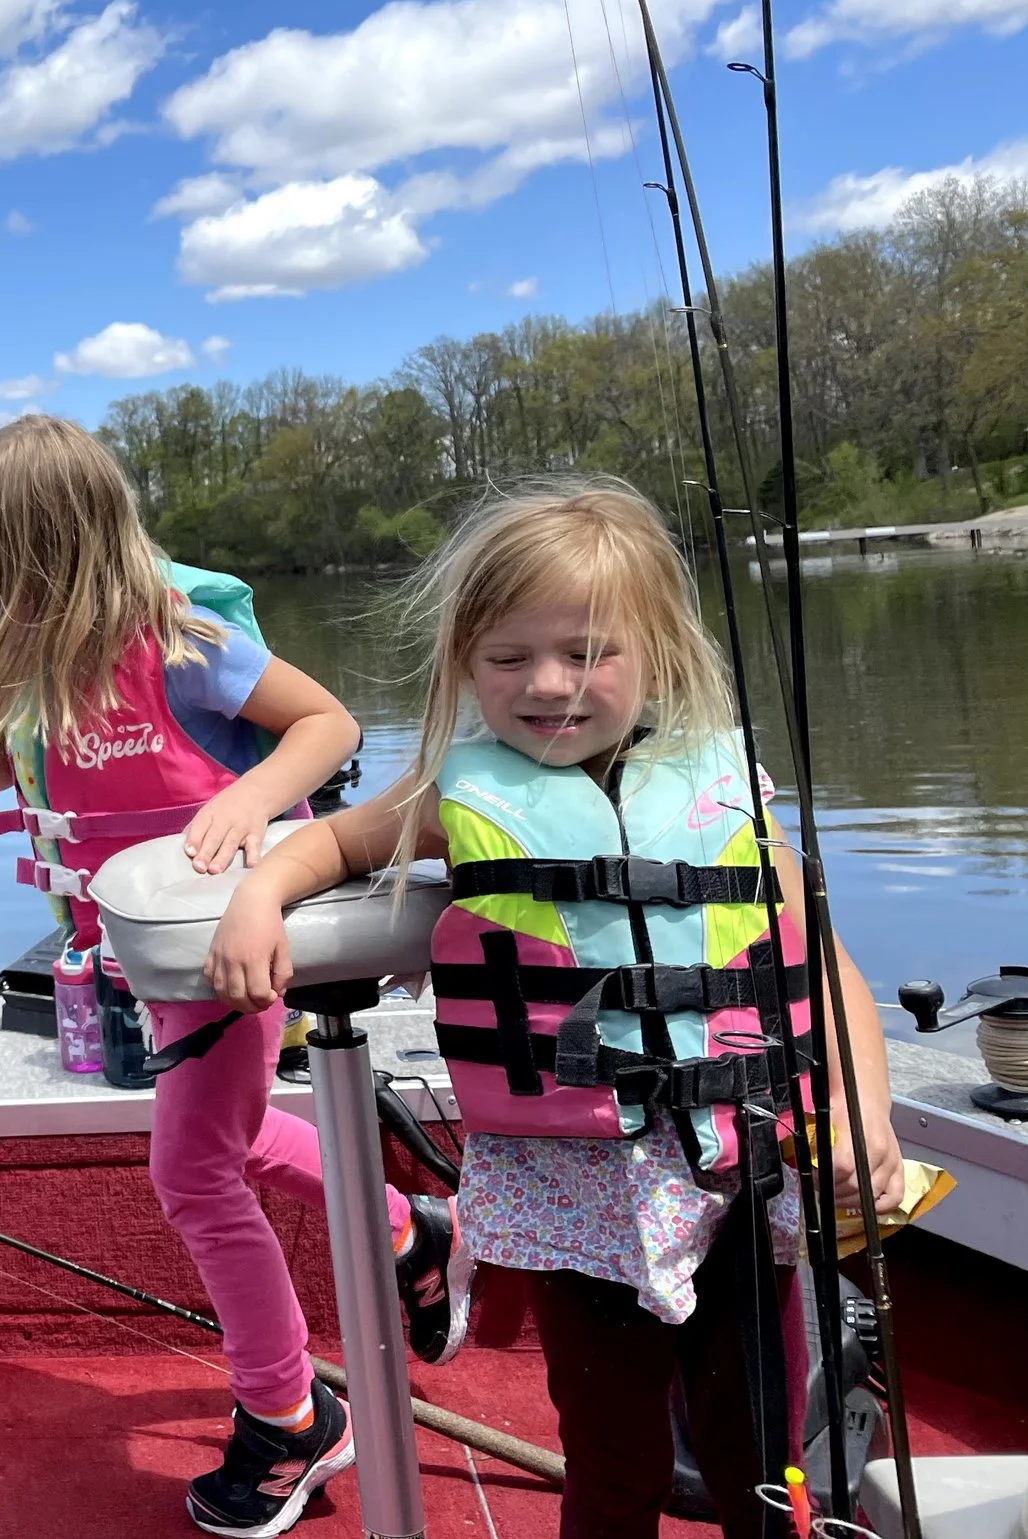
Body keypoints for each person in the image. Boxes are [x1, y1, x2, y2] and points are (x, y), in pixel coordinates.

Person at [224, 479, 904, 1539]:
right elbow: (330, 842)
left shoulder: (726, 791)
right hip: (569, 1199)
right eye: (507, 659)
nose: (548, 685)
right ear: (465, 667)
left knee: (760, 1450)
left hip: (740, 1173)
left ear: (659, 653)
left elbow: (819, 960)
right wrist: (259, 897)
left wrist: (870, 1113)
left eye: (588, 654)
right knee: (613, 1454)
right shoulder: (459, 794)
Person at [0, 416, 472, 1539]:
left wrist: (247, 798)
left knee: (191, 1174)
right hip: (137, 946)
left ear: (54, 557)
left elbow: (327, 725)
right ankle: (415, 1231)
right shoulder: (30, 647)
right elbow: (13, 767)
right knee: (228, 1144)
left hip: (231, 937)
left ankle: (287, 1416)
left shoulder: (180, 641)